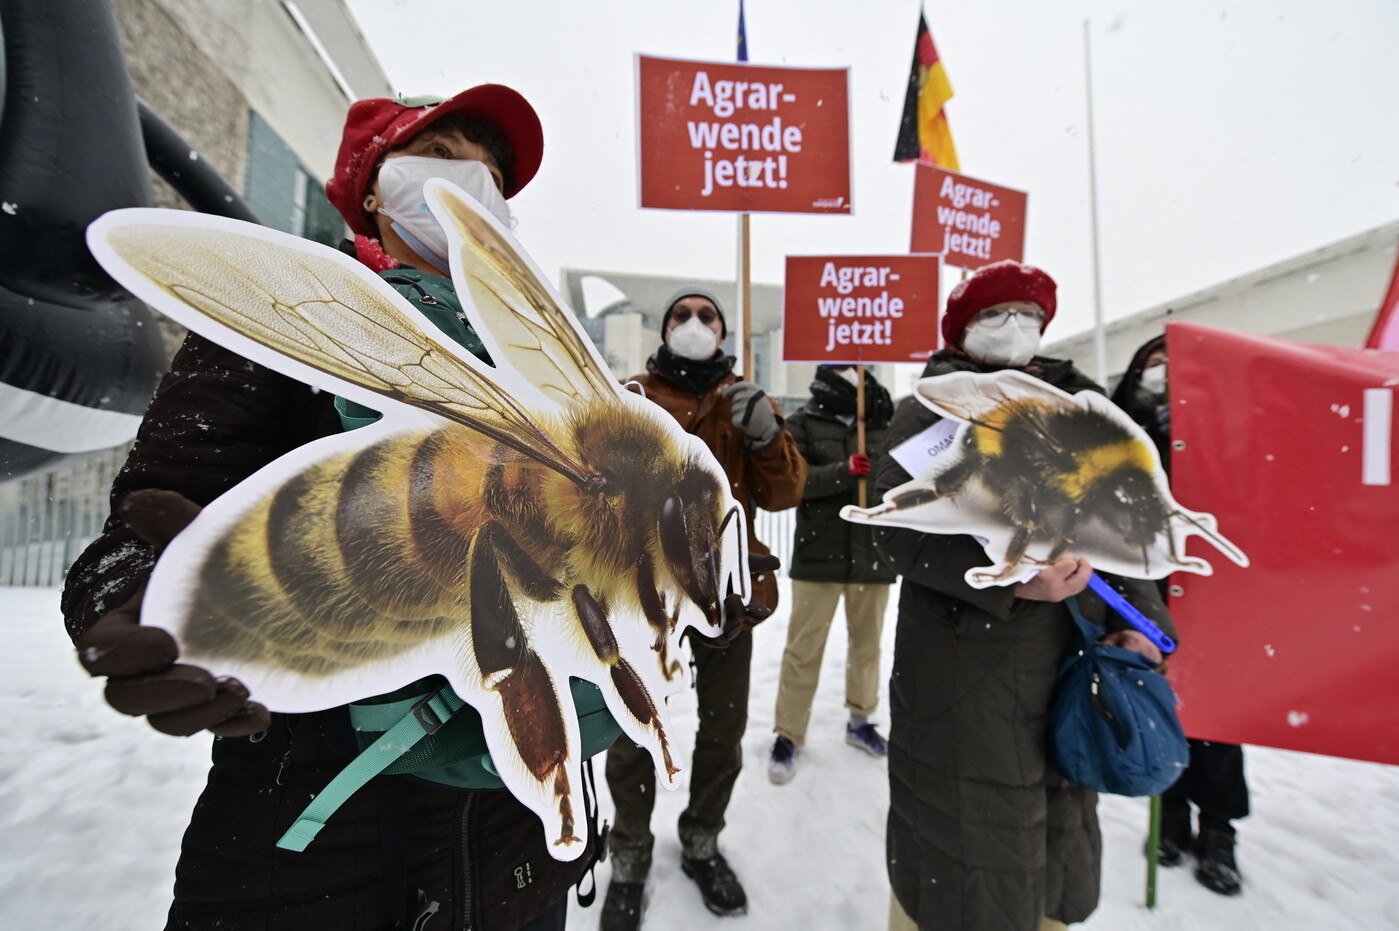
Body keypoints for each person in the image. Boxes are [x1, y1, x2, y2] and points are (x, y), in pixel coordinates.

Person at [62, 86, 597, 931]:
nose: (472, 181)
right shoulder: (280, 320)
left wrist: (701, 571)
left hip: (517, 839)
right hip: (314, 844)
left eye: (492, 172)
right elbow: (141, 526)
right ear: (373, 190)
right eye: (442, 155)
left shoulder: (543, 361)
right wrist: (144, 596)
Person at [873, 260, 1178, 931]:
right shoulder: (928, 411)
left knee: (1054, 831)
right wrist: (1014, 576)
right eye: (996, 314)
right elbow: (894, 530)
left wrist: (1144, 623)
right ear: (961, 329)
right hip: (962, 667)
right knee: (961, 841)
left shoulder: (1084, 409)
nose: (1016, 327)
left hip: (1074, 655)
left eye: (1029, 314)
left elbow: (1128, 524)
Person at [600, 288, 806, 929]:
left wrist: (766, 436)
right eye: (681, 316)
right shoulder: (632, 394)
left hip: (729, 595)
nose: (695, 325)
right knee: (635, 728)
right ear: (663, 331)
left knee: (723, 729)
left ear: (724, 332)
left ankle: (701, 841)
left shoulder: (746, 401)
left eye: (707, 317)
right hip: (645, 594)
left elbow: (785, 492)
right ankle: (629, 857)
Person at [1112, 334, 1249, 897]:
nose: (1163, 373)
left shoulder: (1229, 429)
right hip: (1148, 591)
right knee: (1157, 706)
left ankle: (1218, 828)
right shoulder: (1121, 429)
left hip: (1218, 591)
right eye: (1154, 364)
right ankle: (1167, 813)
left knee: (1219, 714)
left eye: (1175, 366)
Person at [767, 364, 897, 784]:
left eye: (857, 367)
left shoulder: (883, 421)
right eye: (842, 367)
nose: (851, 375)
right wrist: (845, 471)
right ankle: (788, 733)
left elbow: (898, 479)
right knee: (803, 649)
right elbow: (795, 481)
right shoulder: (803, 422)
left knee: (868, 647)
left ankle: (861, 719)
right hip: (818, 557)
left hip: (873, 556)